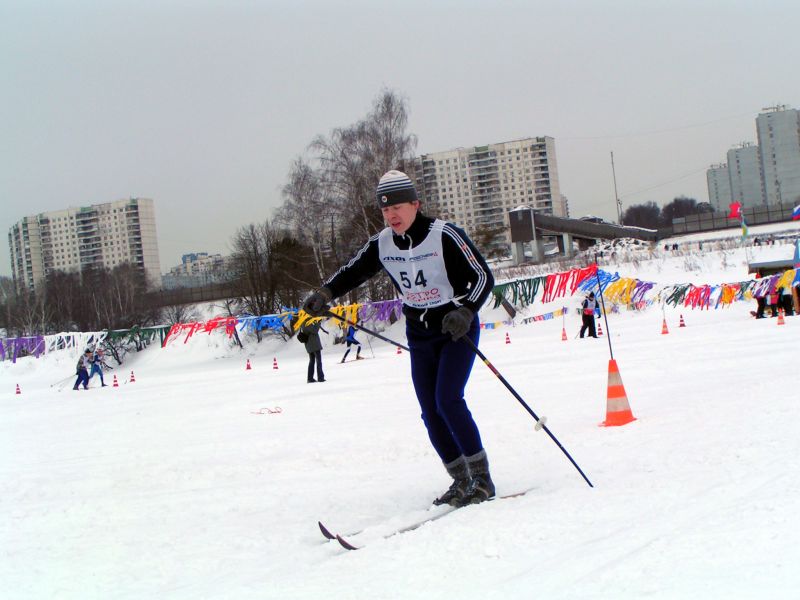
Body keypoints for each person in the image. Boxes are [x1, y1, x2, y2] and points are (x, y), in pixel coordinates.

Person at [302, 170, 496, 506]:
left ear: (415, 205)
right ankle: (461, 480)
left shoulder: (444, 235)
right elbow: (354, 269)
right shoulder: (383, 243)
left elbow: (482, 276)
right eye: (384, 210)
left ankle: (482, 479)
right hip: (419, 334)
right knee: (430, 412)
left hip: (455, 330)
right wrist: (326, 292)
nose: (391, 215)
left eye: (397, 208)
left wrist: (466, 310)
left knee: (448, 400)